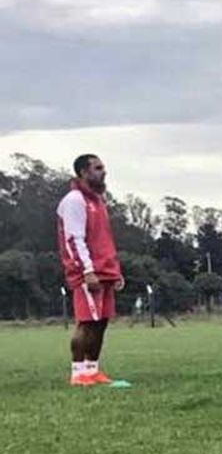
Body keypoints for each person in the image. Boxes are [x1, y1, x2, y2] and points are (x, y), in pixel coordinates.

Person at [57, 154, 123, 386]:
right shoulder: (75, 200)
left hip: (104, 270)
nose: (103, 172)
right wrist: (86, 270)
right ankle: (77, 373)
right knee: (86, 322)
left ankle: (92, 370)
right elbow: (74, 239)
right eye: (97, 168)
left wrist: (114, 270)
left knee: (101, 321)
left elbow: (104, 240)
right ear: (83, 172)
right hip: (87, 272)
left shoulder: (98, 201)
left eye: (103, 167)